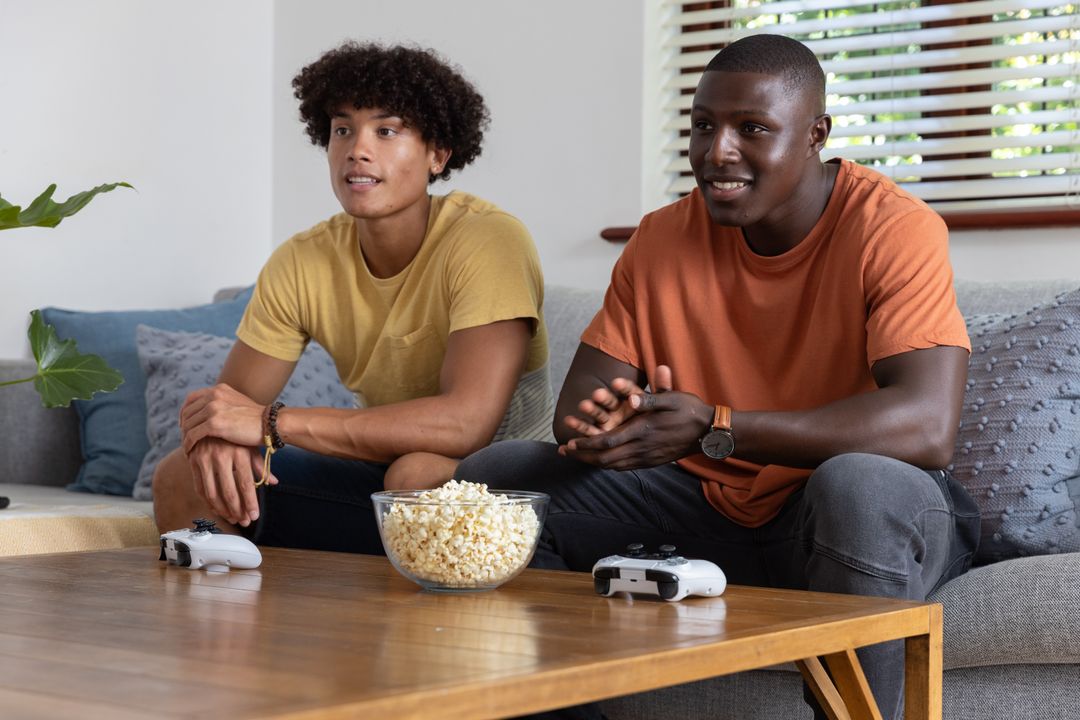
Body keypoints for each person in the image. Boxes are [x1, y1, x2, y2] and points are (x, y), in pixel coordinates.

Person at [457, 34, 980, 720]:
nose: (717, 152)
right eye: (704, 126)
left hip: (852, 519)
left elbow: (926, 426)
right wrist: (622, 426)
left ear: (816, 134)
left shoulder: (893, 228)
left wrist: (717, 428)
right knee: (502, 478)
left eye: (752, 129)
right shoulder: (662, 237)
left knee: (859, 483)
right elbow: (578, 416)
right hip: (706, 516)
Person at [152, 41, 553, 552]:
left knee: (417, 474)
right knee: (179, 476)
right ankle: (233, 622)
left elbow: (464, 425)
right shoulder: (302, 261)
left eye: (386, 131)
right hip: (380, 477)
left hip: (503, 491)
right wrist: (212, 432)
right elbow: (230, 412)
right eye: (343, 129)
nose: (357, 149)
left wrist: (273, 422)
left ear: (438, 154)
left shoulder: (488, 240)